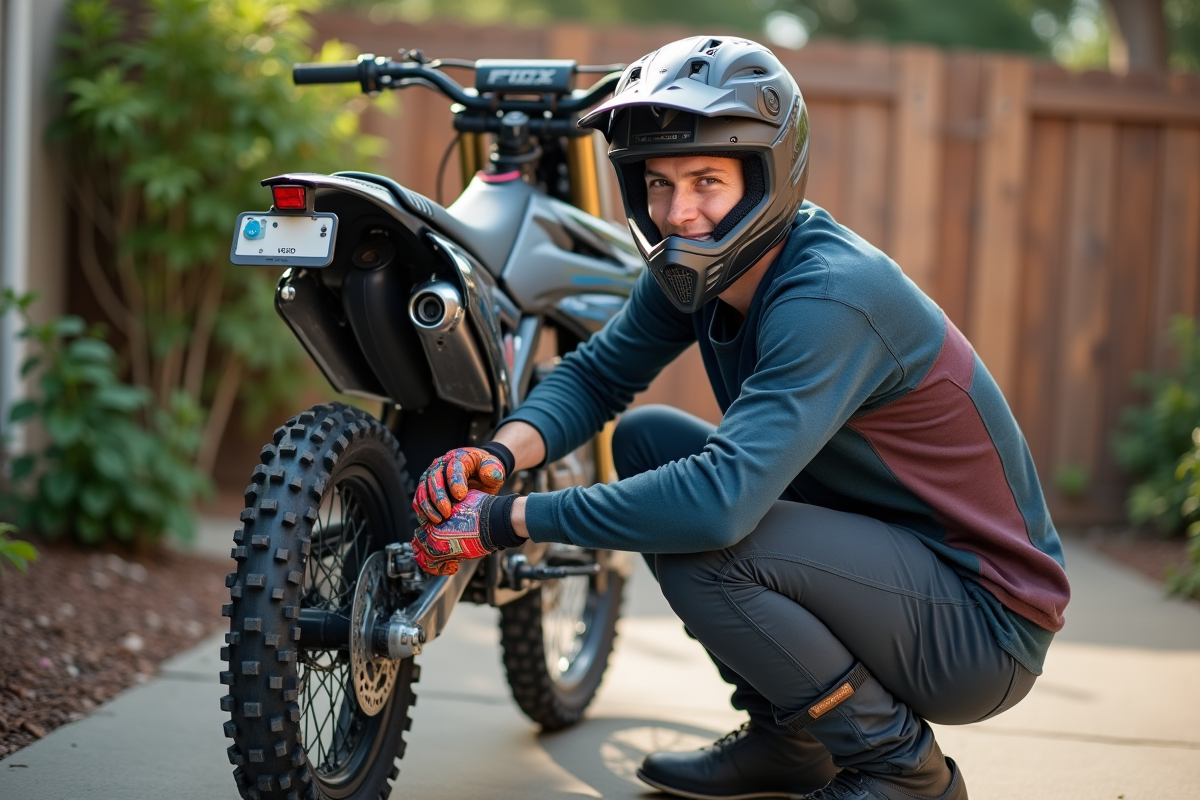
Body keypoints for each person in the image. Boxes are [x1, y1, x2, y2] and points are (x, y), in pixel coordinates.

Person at [409, 36, 1070, 800]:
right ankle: (790, 742)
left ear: (765, 178)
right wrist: (498, 455)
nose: (678, 212)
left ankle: (899, 772)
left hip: (981, 627)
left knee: (703, 536)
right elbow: (597, 376)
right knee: (648, 443)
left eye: (706, 182)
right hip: (896, 568)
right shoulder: (695, 262)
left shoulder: (831, 296)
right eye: (656, 183)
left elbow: (721, 503)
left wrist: (506, 519)